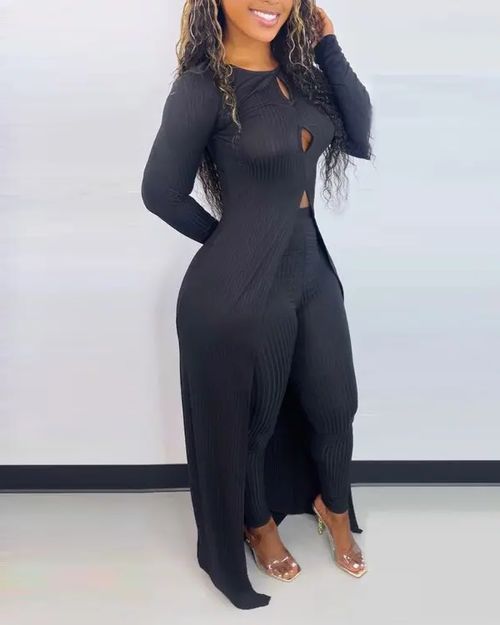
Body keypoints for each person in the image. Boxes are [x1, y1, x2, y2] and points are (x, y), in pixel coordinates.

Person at [141, 0, 373, 610]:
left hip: (311, 268)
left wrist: (328, 47)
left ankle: (334, 506)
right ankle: (257, 522)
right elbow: (160, 192)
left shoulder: (301, 75)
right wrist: (231, 244)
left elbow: (358, 131)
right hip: (245, 286)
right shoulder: (202, 88)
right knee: (254, 421)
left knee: (336, 404)